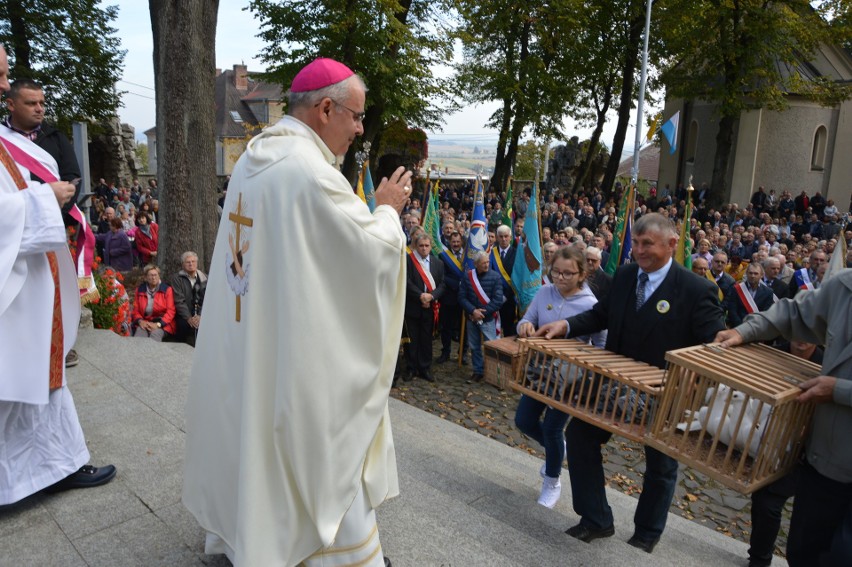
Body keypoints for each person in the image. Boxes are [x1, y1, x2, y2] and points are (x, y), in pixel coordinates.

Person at [182, 58, 412, 567]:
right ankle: (332, 555)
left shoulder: (254, 158)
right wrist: (389, 208)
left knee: (251, 426)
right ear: (325, 107)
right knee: (315, 427)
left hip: (249, 329)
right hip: (291, 345)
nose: (359, 128)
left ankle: (246, 537)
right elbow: (368, 252)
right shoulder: (308, 174)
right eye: (355, 116)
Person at [535, 213, 725, 553]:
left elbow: (712, 346)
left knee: (661, 465)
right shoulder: (624, 276)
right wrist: (564, 326)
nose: (638, 251)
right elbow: (599, 315)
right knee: (579, 435)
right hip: (613, 384)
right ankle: (595, 519)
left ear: (672, 244)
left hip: (664, 396)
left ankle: (647, 535)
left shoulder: (697, 289)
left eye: (647, 244)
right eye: (635, 243)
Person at [0, 45, 115, 504]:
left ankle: (53, 464)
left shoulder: (32, 139)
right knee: (18, 375)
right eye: (1, 75)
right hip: (16, 278)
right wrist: (44, 199)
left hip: (28, 270)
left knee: (34, 373)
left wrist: (51, 197)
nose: (6, 84)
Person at [715, 268, 852, 566]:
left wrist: (841, 391)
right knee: (804, 553)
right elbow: (793, 314)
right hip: (826, 462)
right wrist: (744, 331)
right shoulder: (844, 285)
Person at [515, 246, 606, 509]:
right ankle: (558, 450)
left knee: (554, 428)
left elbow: (601, 343)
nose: (560, 278)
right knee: (523, 420)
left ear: (581, 274)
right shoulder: (544, 292)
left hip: (570, 379)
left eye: (568, 273)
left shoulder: (591, 304)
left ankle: (552, 482)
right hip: (538, 370)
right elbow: (525, 320)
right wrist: (525, 326)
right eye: (556, 272)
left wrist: (589, 376)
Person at [747, 339, 823, 567]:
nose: (802, 339)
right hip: (770, 442)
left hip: (810, 451)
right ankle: (759, 558)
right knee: (763, 500)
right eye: (798, 331)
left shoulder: (827, 364)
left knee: (787, 508)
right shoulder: (773, 353)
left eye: (808, 334)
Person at [403, 233, 446, 382]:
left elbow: (442, 284)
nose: (424, 248)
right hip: (413, 306)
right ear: (415, 245)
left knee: (426, 339)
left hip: (430, 307)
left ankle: (425, 368)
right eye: (421, 245)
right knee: (412, 339)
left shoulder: (438, 263)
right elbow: (406, 281)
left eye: (427, 245)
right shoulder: (409, 260)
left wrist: (431, 296)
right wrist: (421, 295)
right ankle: (411, 367)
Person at [459, 251, 504, 382]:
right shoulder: (468, 277)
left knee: (491, 347)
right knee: (474, 347)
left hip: (488, 319)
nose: (486, 265)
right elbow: (461, 297)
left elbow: (498, 300)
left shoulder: (495, 277)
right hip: (471, 318)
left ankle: (494, 374)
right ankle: (478, 371)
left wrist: (481, 313)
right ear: (476, 264)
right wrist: (473, 311)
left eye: (488, 262)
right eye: (483, 263)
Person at [437, 231, 466, 364]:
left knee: (463, 327)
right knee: (446, 327)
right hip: (448, 297)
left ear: (462, 242)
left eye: (458, 242)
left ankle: (463, 353)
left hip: (464, 298)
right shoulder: (443, 256)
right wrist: (458, 283)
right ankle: (446, 351)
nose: (455, 244)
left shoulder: (468, 256)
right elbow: (442, 276)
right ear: (449, 242)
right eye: (453, 242)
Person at [170, 251, 207, 347]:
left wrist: (199, 316)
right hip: (184, 314)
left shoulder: (204, 278)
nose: (191, 264)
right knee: (183, 326)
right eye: (188, 262)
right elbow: (179, 300)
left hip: (200, 313)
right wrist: (188, 318)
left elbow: (206, 300)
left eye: (193, 261)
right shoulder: (177, 278)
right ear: (183, 264)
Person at [132, 264, 176, 341]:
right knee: (139, 336)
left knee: (155, 335)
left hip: (163, 323)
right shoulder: (139, 290)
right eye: (150, 275)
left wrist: (159, 324)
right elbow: (136, 310)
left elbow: (171, 311)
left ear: (159, 276)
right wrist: (140, 321)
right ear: (145, 277)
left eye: (155, 275)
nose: (153, 277)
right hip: (145, 322)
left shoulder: (167, 290)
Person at [726, 262, 775, 327]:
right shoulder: (736, 289)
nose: (752, 276)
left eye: (756, 273)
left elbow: (766, 313)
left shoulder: (768, 292)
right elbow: (732, 310)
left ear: (762, 275)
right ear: (746, 273)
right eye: (750, 273)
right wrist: (741, 327)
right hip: (738, 327)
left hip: (758, 328)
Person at [491, 224, 517, 335]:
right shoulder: (491, 253)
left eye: (506, 236)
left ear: (510, 237)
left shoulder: (516, 254)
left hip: (510, 298)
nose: (504, 239)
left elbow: (516, 278)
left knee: (508, 330)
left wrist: (505, 296)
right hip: (493, 297)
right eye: (501, 236)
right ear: (497, 237)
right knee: (493, 331)